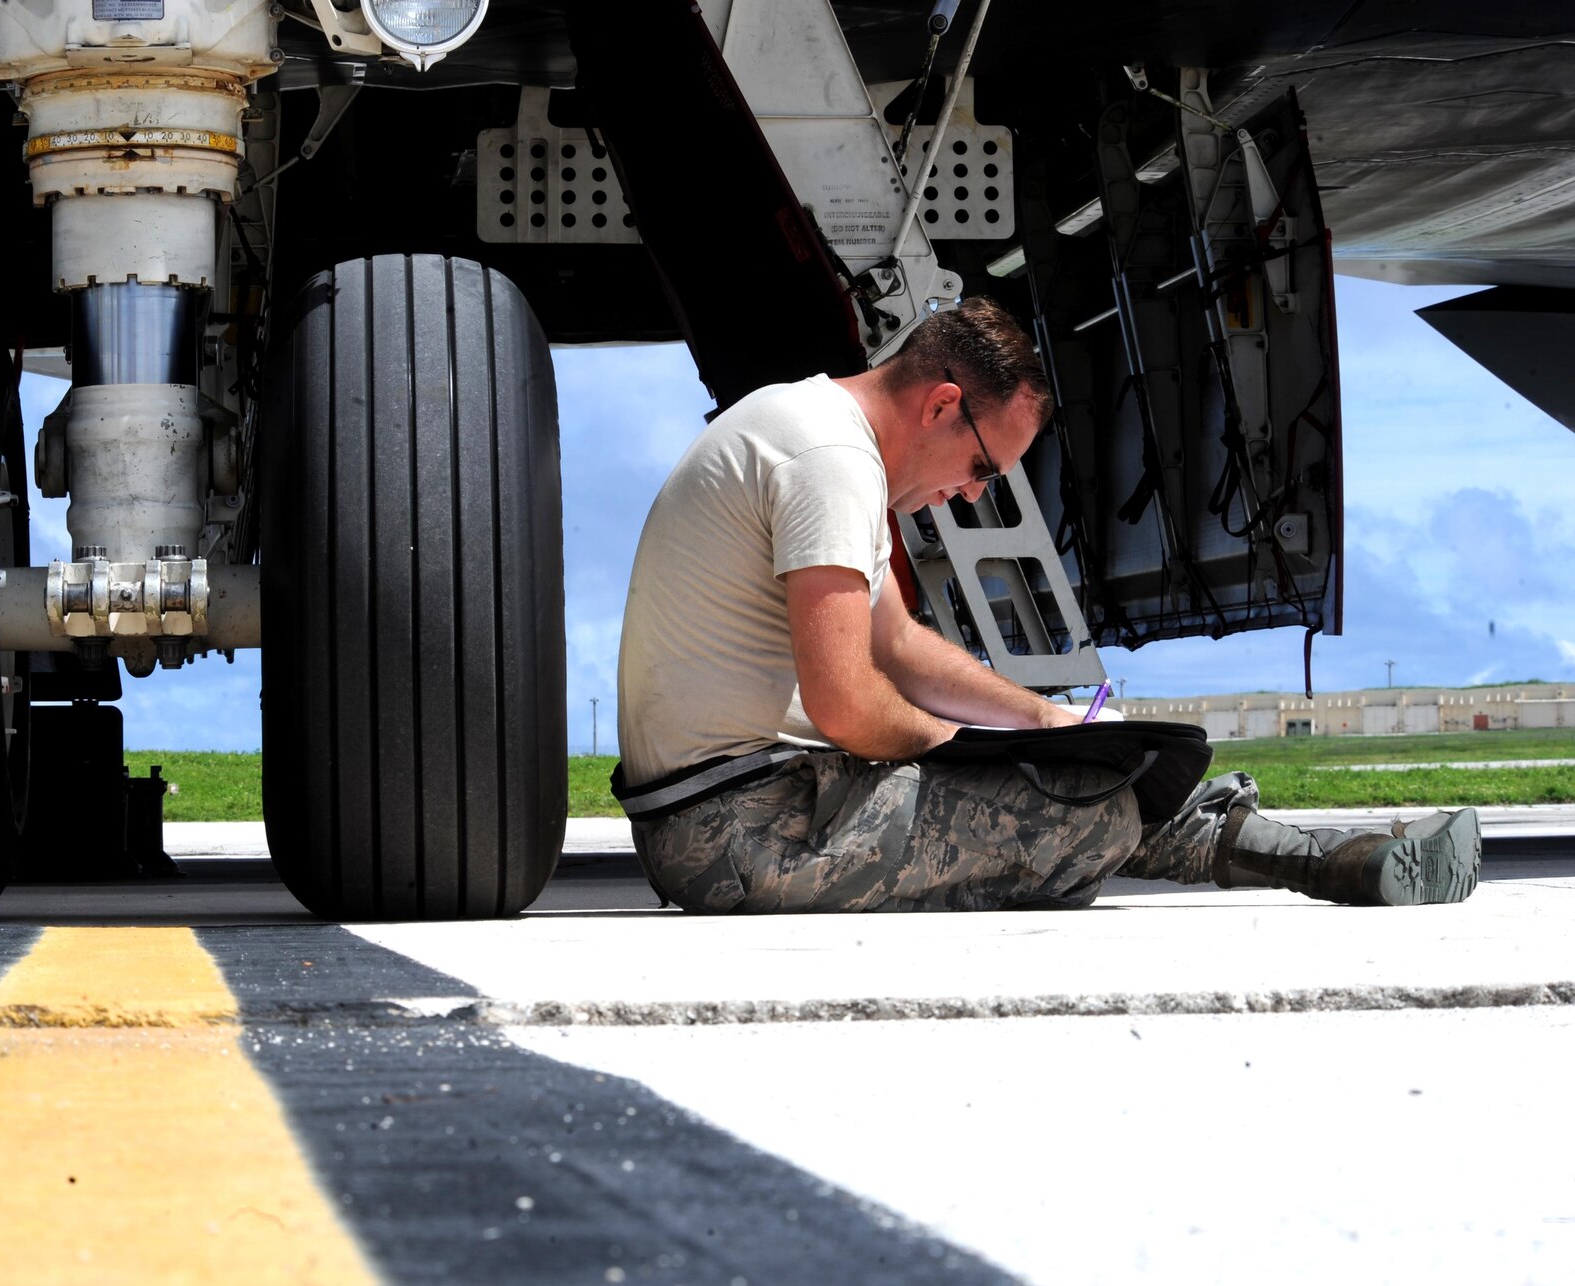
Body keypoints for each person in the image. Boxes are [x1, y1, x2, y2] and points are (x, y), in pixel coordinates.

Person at [612, 297, 1480, 913]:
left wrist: (1039, 722)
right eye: (984, 466)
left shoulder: (812, 432)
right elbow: (846, 700)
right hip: (739, 833)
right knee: (1087, 811)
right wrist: (976, 752)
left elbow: (901, 648)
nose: (966, 496)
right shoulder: (829, 459)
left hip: (752, 808)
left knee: (1071, 771)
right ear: (944, 403)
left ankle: (1336, 857)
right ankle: (1334, 860)